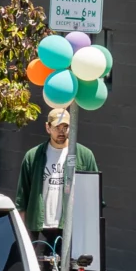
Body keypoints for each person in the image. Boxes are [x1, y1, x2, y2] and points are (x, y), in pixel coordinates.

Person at [18, 107, 98, 259]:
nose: (61, 132)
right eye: (57, 127)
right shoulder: (33, 157)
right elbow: (22, 201)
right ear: (48, 127)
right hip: (40, 229)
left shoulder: (84, 156)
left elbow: (94, 199)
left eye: (65, 127)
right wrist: (24, 236)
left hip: (73, 228)